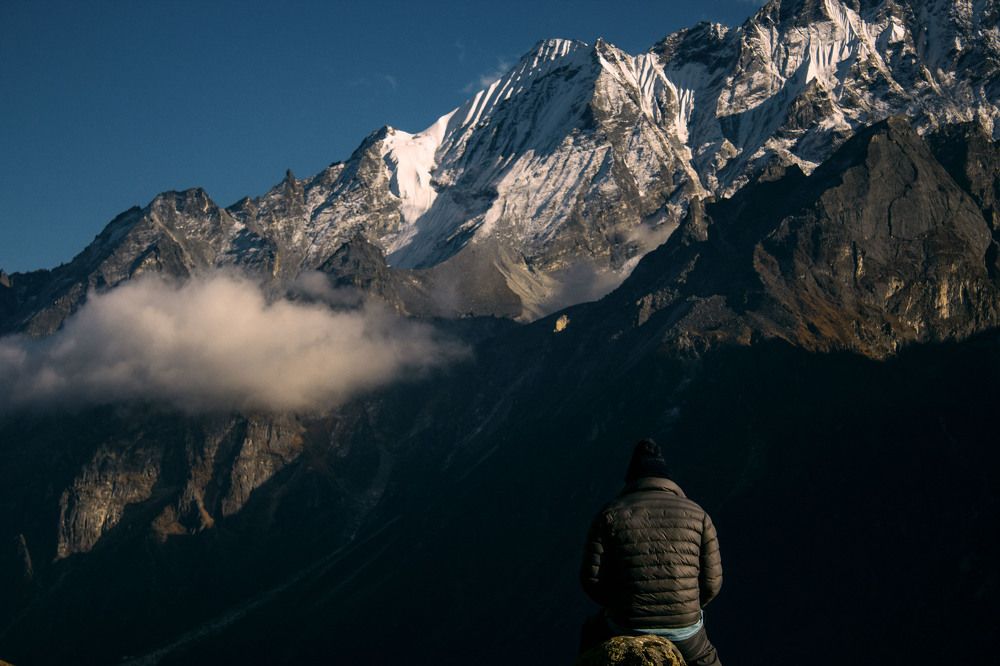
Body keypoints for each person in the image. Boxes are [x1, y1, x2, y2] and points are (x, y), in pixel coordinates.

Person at [579, 439, 723, 665]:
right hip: (685, 629)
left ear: (632, 480)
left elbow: (591, 579)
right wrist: (686, 606)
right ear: (667, 479)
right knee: (707, 659)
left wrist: (620, 604)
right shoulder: (699, 515)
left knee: (591, 640)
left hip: (626, 625)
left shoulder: (609, 514)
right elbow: (712, 583)